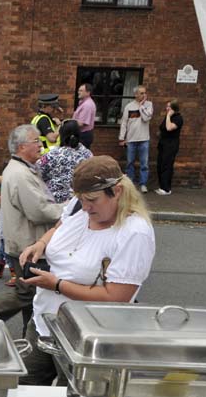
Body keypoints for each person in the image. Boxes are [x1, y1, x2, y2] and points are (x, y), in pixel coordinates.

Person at [19, 156, 155, 385]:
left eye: (92, 200)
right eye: (81, 199)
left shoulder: (135, 233)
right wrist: (40, 244)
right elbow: (60, 226)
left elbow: (116, 298)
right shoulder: (79, 207)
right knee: (23, 391)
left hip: (87, 339)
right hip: (44, 322)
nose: (85, 207)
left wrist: (57, 285)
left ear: (118, 191)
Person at [0, 125, 63, 334]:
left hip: (24, 243)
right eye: (36, 141)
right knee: (29, 294)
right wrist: (67, 208)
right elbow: (39, 211)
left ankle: (29, 337)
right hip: (28, 245)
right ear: (22, 147)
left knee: (32, 300)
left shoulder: (21, 168)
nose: (41, 145)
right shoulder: (20, 173)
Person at [38, 119, 93, 203]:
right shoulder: (88, 155)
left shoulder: (53, 154)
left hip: (53, 202)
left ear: (61, 134)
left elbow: (38, 172)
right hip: (78, 202)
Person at [118, 85, 154, 193]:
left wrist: (142, 106)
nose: (144, 95)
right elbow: (124, 123)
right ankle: (131, 183)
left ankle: (143, 184)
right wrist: (121, 138)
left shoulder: (149, 105)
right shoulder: (129, 106)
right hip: (131, 139)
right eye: (141, 93)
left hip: (144, 139)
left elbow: (146, 117)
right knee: (130, 162)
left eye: (145, 93)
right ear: (136, 94)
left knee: (144, 164)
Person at [155, 100, 184, 195]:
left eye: (169, 107)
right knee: (160, 164)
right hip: (163, 144)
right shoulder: (169, 117)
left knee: (166, 165)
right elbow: (163, 128)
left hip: (171, 145)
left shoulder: (178, 118)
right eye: (167, 106)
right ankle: (162, 186)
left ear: (174, 109)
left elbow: (169, 128)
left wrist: (168, 116)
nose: (167, 108)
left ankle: (166, 189)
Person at [72, 83, 96, 148]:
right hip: (83, 134)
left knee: (82, 157)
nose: (78, 92)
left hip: (83, 135)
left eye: (81, 91)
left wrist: (67, 123)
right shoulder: (83, 103)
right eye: (78, 90)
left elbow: (82, 123)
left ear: (88, 93)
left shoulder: (87, 105)